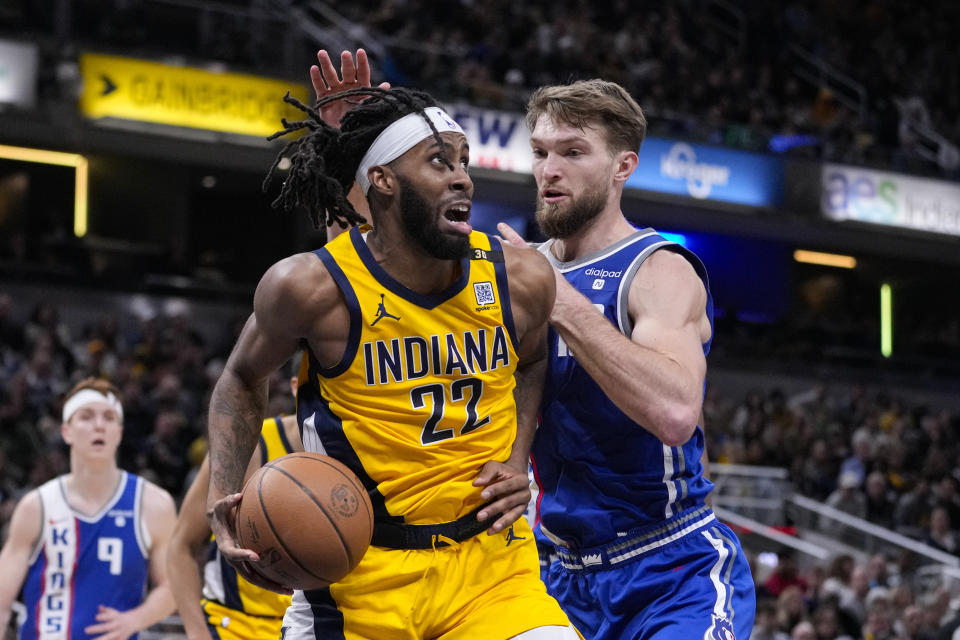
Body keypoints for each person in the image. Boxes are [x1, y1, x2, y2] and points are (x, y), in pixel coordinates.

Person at [311, 50, 755, 640]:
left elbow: (675, 413)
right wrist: (356, 150)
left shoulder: (657, 270)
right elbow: (362, 261)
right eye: (542, 152)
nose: (550, 170)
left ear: (623, 166)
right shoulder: (513, 272)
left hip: (671, 570)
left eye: (573, 153)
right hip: (556, 572)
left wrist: (563, 302)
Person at [204, 83, 578, 639]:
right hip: (355, 574)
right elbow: (240, 376)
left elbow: (531, 363)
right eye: (438, 161)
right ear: (381, 180)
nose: (462, 177)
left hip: (490, 571)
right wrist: (222, 493)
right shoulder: (311, 288)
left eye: (464, 162)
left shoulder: (518, 277)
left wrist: (519, 455)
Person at [0, 378, 177, 640]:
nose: (98, 425)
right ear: (66, 431)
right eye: (86, 416)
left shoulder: (153, 505)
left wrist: (134, 620)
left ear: (119, 432)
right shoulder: (35, 506)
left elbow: (173, 587)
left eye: (109, 418)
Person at [166, 372, 302, 640]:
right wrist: (197, 633)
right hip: (235, 626)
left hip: (315, 625)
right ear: (296, 387)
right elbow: (180, 546)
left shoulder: (357, 453)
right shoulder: (249, 443)